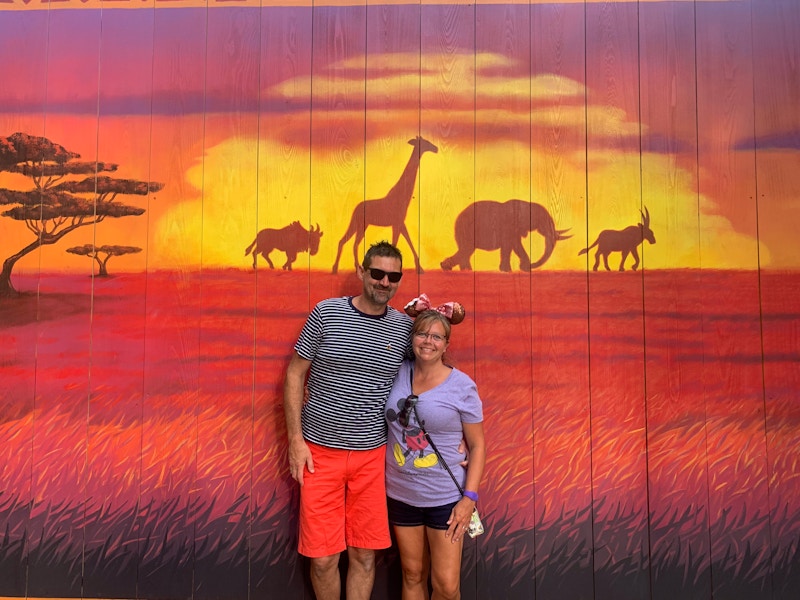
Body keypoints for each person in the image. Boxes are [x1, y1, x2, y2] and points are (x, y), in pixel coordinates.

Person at [283, 240, 413, 600]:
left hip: (372, 457)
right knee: (323, 559)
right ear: (361, 272)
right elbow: (295, 375)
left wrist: (459, 438)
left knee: (364, 554)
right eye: (377, 273)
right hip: (318, 455)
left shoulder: (404, 328)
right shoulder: (326, 313)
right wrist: (295, 441)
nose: (384, 282)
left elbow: (430, 377)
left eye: (393, 276)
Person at [385, 307, 486, 600]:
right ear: (412, 337)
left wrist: (469, 499)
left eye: (436, 336)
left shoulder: (462, 386)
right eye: (421, 334)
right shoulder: (397, 372)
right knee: (412, 575)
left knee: (445, 586)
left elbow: (477, 445)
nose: (428, 342)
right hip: (401, 494)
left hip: (445, 500)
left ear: (446, 344)